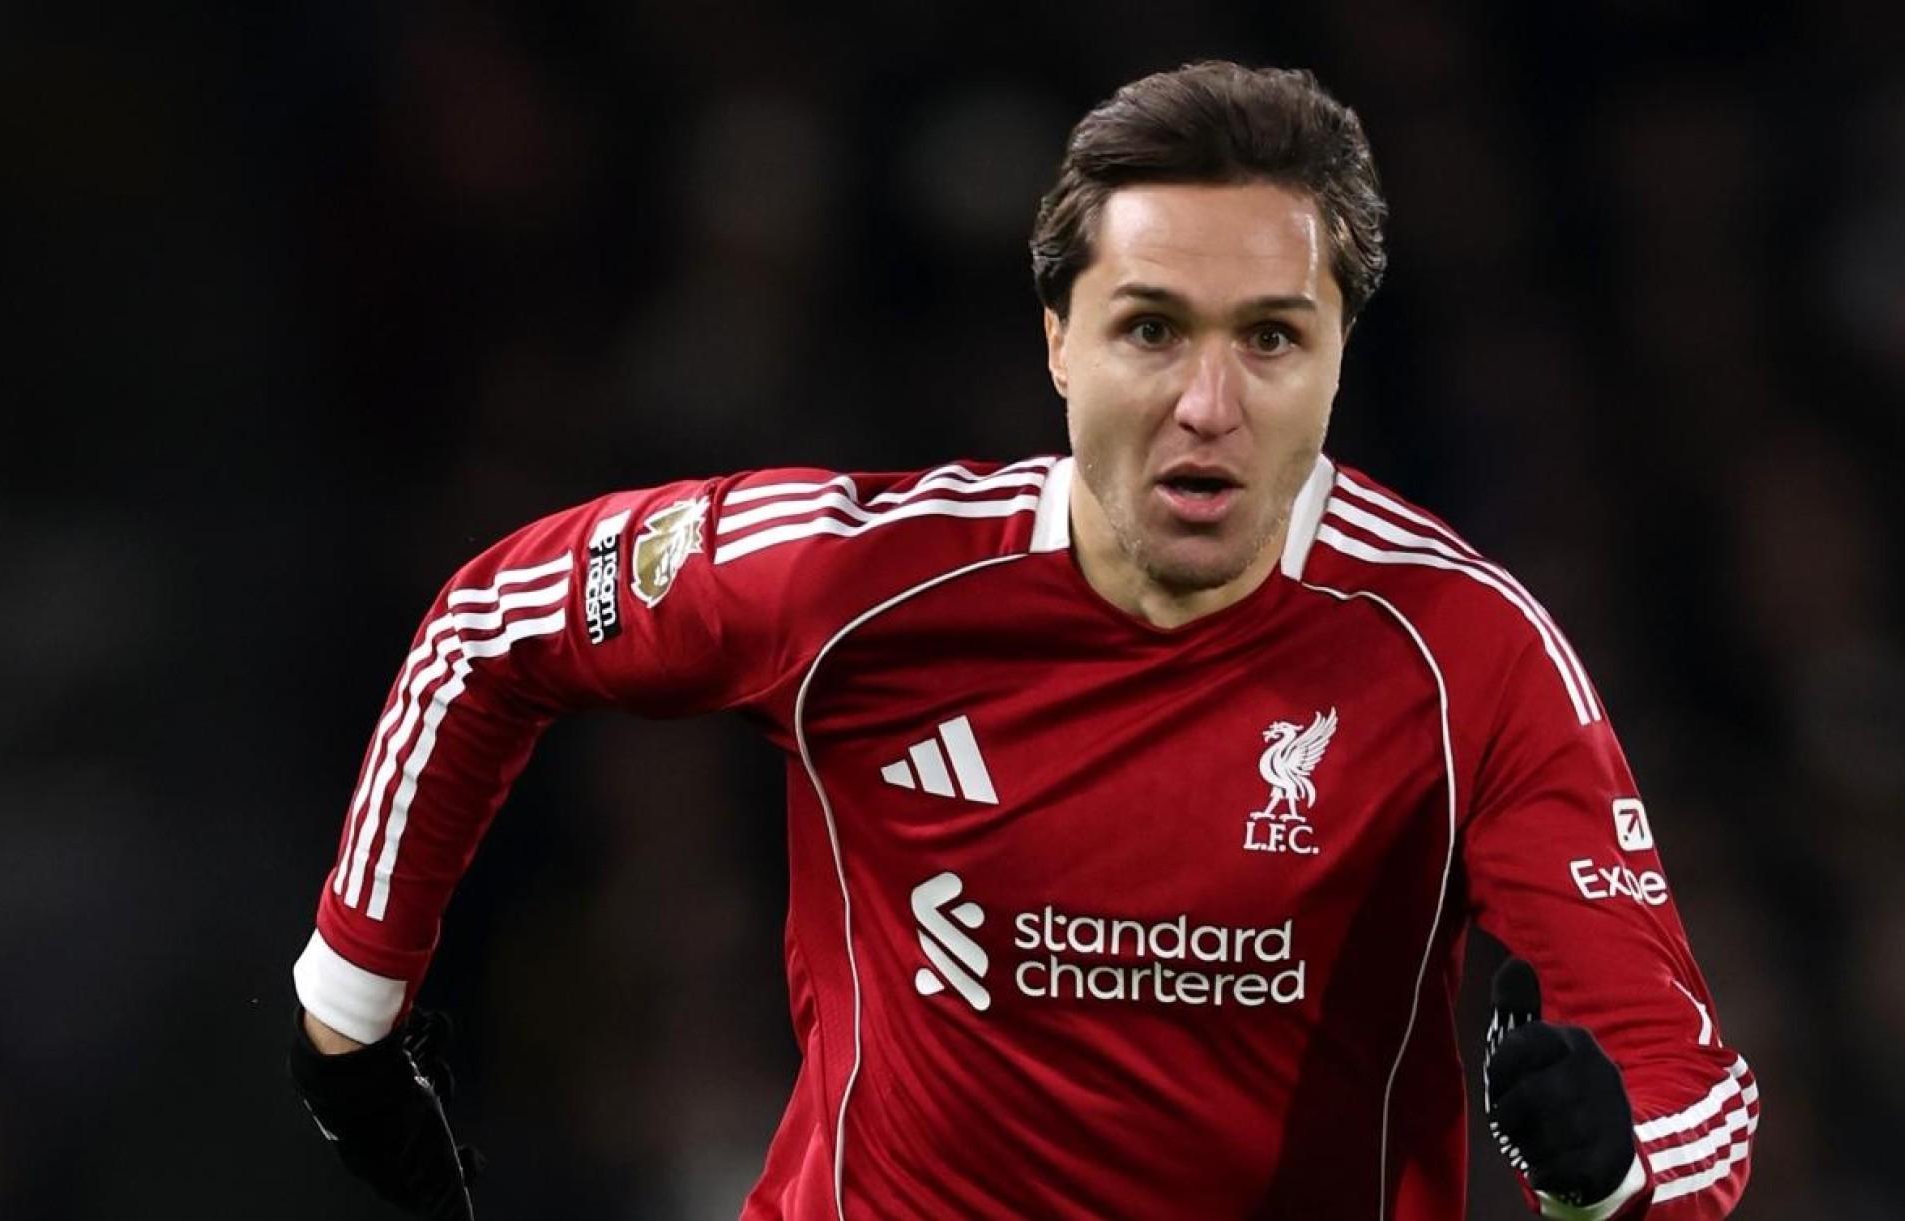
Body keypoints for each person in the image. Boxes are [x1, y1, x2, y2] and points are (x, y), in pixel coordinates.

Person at [287, 61, 1757, 1220]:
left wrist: (1604, 1176)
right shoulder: (854, 581)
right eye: (1150, 329)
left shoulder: (1464, 656)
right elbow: (495, 625)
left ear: (1338, 357)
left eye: (1269, 337)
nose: (1207, 406)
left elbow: (1691, 1096)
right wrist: (350, 1009)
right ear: (1057, 340)